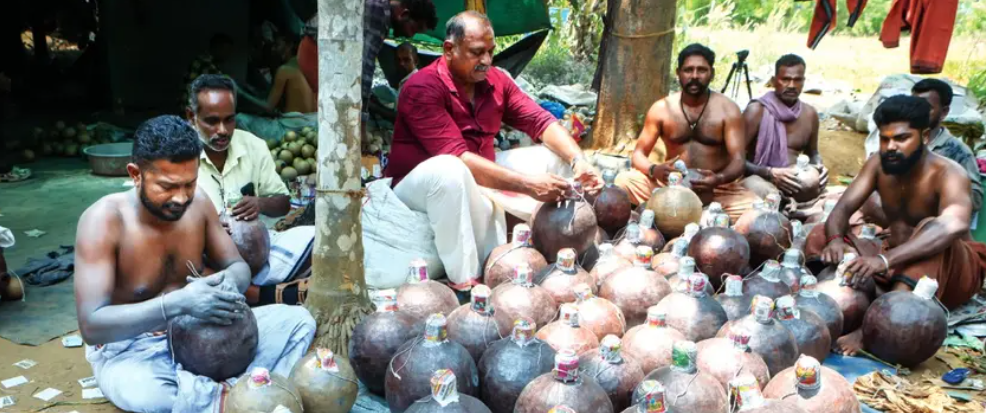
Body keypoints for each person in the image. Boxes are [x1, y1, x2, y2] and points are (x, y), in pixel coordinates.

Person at [74, 115, 315, 413]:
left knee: (297, 322)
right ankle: (244, 395)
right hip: (135, 348)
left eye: (189, 183)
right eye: (167, 186)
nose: (181, 197)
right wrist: (177, 304)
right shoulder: (103, 221)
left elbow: (238, 267)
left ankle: (205, 405)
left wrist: (224, 284)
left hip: (207, 337)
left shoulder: (198, 202)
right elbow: (92, 325)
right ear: (135, 174)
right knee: (152, 395)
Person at [384, 11, 603, 290]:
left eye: (490, 51)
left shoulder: (497, 81)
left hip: (474, 176)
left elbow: (540, 121)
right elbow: (458, 157)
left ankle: (565, 243)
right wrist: (528, 185)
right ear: (449, 49)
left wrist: (578, 160)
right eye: (477, 53)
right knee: (449, 169)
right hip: (418, 191)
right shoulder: (421, 88)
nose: (486, 61)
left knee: (552, 156)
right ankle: (465, 282)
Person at [813, 95, 986, 354]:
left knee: (935, 229)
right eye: (885, 139)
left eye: (901, 138)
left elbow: (954, 225)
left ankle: (873, 328)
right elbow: (841, 210)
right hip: (897, 261)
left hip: (951, 271)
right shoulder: (878, 163)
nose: (890, 147)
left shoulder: (949, 173)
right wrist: (835, 241)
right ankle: (858, 292)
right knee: (820, 234)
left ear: (926, 136)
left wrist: (884, 262)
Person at [187, 75, 314, 306]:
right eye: (212, 121)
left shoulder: (253, 145)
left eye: (229, 120)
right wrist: (205, 228)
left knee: (315, 240)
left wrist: (260, 203)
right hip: (206, 259)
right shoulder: (179, 156)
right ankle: (262, 295)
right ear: (192, 117)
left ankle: (247, 290)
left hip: (257, 252)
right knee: (184, 268)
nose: (223, 130)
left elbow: (284, 204)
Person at [615, 43, 756, 222]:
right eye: (688, 70)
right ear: (678, 73)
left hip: (715, 190)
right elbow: (638, 154)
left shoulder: (728, 110)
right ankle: (698, 217)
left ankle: (678, 215)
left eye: (701, 70)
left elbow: (738, 160)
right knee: (623, 182)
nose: (695, 76)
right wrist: (654, 169)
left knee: (753, 205)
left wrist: (718, 178)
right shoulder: (661, 109)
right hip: (671, 187)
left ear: (711, 73)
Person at [297, 0, 438, 128]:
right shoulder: (378, 14)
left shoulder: (380, 7)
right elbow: (365, 66)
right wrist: (362, 123)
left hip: (330, 53)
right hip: (317, 50)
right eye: (413, 29)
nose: (410, 36)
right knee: (337, 114)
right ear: (404, 14)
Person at [743, 54, 829, 205]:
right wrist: (769, 173)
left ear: (803, 82)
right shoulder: (756, 111)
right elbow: (733, 159)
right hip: (760, 179)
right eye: (785, 79)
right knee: (765, 194)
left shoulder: (810, 114)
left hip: (794, 182)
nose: (791, 85)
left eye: (797, 80)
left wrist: (819, 167)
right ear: (774, 81)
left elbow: (813, 153)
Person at [912, 78, 983, 213]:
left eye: (926, 108)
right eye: (914, 106)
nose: (917, 113)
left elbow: (976, 199)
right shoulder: (900, 142)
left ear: (944, 112)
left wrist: (937, 189)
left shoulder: (958, 151)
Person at [253, 32, 316, 115]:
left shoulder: (284, 70)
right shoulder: (312, 67)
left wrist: (243, 94)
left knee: (241, 118)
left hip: (293, 122)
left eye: (277, 45)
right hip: (314, 120)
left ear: (289, 46)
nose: (273, 49)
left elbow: (268, 107)